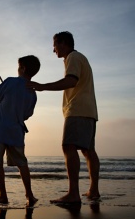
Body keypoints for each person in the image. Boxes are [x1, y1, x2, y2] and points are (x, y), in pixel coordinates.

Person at [27, 31, 100, 204]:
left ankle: (73, 193)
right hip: (89, 111)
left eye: (55, 45)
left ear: (63, 43)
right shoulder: (80, 57)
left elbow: (71, 81)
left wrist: (42, 86)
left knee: (68, 146)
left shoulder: (73, 57)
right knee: (88, 151)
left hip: (77, 110)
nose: (53, 50)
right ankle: (93, 190)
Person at [0, 55, 40, 206]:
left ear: (22, 68)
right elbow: (27, 114)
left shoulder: (10, 81)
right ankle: (29, 195)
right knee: (22, 163)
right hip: (16, 132)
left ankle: (3, 195)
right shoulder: (32, 93)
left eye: (18, 66)